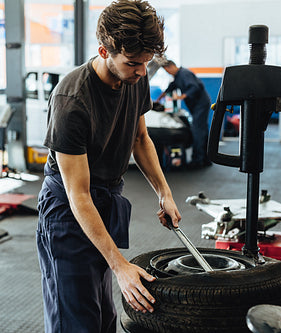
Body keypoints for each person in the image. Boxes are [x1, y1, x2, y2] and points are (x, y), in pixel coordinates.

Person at [36, 1, 182, 332]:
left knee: (104, 319)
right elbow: (78, 195)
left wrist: (164, 193)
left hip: (106, 200)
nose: (143, 71)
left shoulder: (136, 76)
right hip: (68, 212)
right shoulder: (71, 101)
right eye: (133, 63)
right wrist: (120, 266)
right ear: (104, 51)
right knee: (75, 322)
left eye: (146, 63)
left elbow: (140, 138)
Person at [157, 60, 212, 168]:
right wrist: (159, 99)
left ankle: (198, 160)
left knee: (198, 130)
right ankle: (205, 159)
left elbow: (195, 87)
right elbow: (170, 88)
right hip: (197, 105)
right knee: (201, 129)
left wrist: (181, 97)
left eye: (167, 71)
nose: (168, 73)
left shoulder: (184, 73)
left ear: (171, 67)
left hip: (200, 104)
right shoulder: (177, 77)